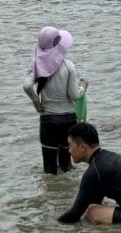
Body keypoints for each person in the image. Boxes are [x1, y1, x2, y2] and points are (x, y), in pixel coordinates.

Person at [23, 26, 88, 174]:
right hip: (68, 121)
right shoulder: (68, 66)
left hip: (48, 121)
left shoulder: (36, 65)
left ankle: (51, 195)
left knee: (49, 170)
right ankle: (66, 195)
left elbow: (27, 85)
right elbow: (75, 96)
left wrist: (36, 103)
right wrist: (83, 87)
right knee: (66, 166)